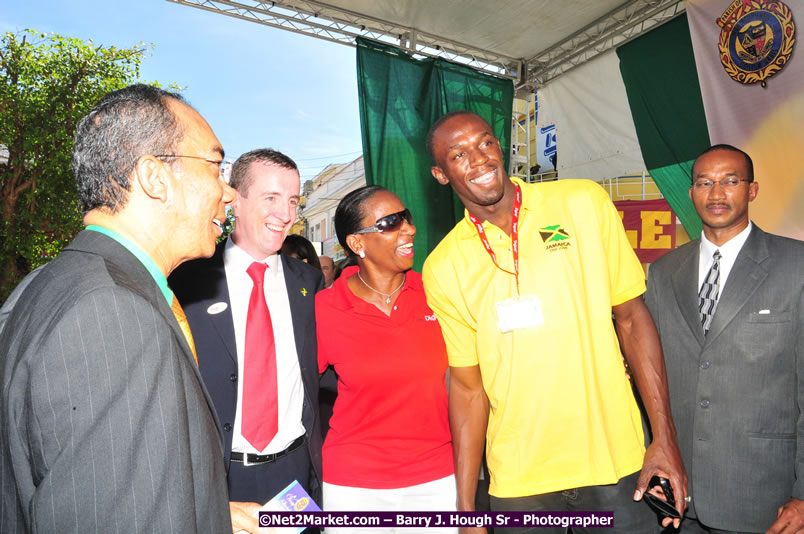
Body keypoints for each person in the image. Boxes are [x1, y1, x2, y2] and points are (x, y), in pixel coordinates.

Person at [422, 110, 687, 533]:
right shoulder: (443, 266)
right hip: (520, 479)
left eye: (485, 142)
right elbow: (468, 389)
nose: (479, 159)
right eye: (459, 154)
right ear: (441, 174)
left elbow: (632, 319)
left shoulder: (582, 202)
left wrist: (664, 438)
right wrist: (466, 504)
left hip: (614, 463)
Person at [0, 84, 235, 533]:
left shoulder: (47, 283)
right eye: (215, 167)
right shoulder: (112, 314)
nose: (228, 192)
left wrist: (210, 514)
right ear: (155, 177)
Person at [644, 145, 804, 533]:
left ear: (752, 189)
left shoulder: (796, 265)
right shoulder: (663, 272)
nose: (716, 193)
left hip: (765, 496)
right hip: (679, 494)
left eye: (730, 181)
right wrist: (654, 462)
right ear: (691, 193)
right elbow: (651, 377)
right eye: (705, 183)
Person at [169, 148, 324, 534]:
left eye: (293, 201)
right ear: (234, 200)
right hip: (219, 478)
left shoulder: (308, 282)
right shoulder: (187, 282)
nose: (285, 214)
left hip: (295, 473)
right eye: (271, 198)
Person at [316, 185, 456, 533]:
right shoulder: (325, 308)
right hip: (352, 486)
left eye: (406, 218)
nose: (409, 229)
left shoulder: (436, 293)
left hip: (435, 478)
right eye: (390, 222)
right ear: (357, 243)